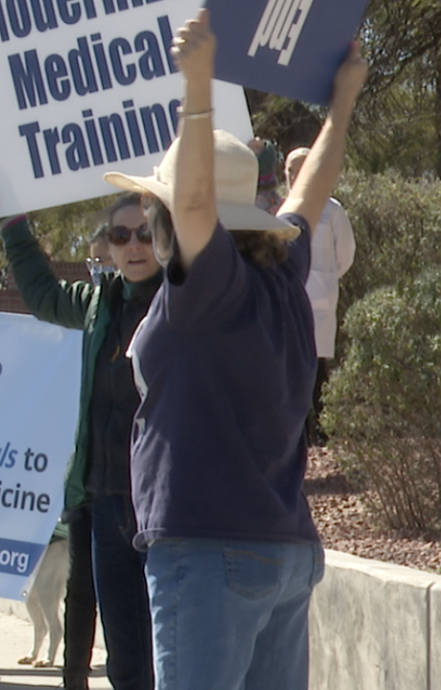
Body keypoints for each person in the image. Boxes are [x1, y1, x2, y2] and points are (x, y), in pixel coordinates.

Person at [100, 11, 366, 688]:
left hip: (209, 550)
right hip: (283, 548)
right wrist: (343, 103)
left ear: (168, 221)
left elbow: (195, 205)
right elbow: (312, 190)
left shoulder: (209, 285)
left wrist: (197, 84)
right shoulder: (282, 269)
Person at [0, 181, 159, 690]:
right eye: (121, 235)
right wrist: (10, 220)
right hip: (104, 503)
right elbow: (40, 293)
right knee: (124, 659)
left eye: (146, 234)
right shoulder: (96, 304)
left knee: (165, 654)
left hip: (164, 506)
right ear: (105, 245)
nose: (133, 246)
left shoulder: (185, 300)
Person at [285, 146, 356, 446]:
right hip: (289, 299)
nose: (292, 176)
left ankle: (324, 432)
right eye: (289, 170)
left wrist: (326, 280)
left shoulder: (332, 209)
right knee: (292, 365)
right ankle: (299, 432)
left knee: (317, 368)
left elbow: (346, 254)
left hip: (320, 301)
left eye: (298, 169)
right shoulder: (282, 208)